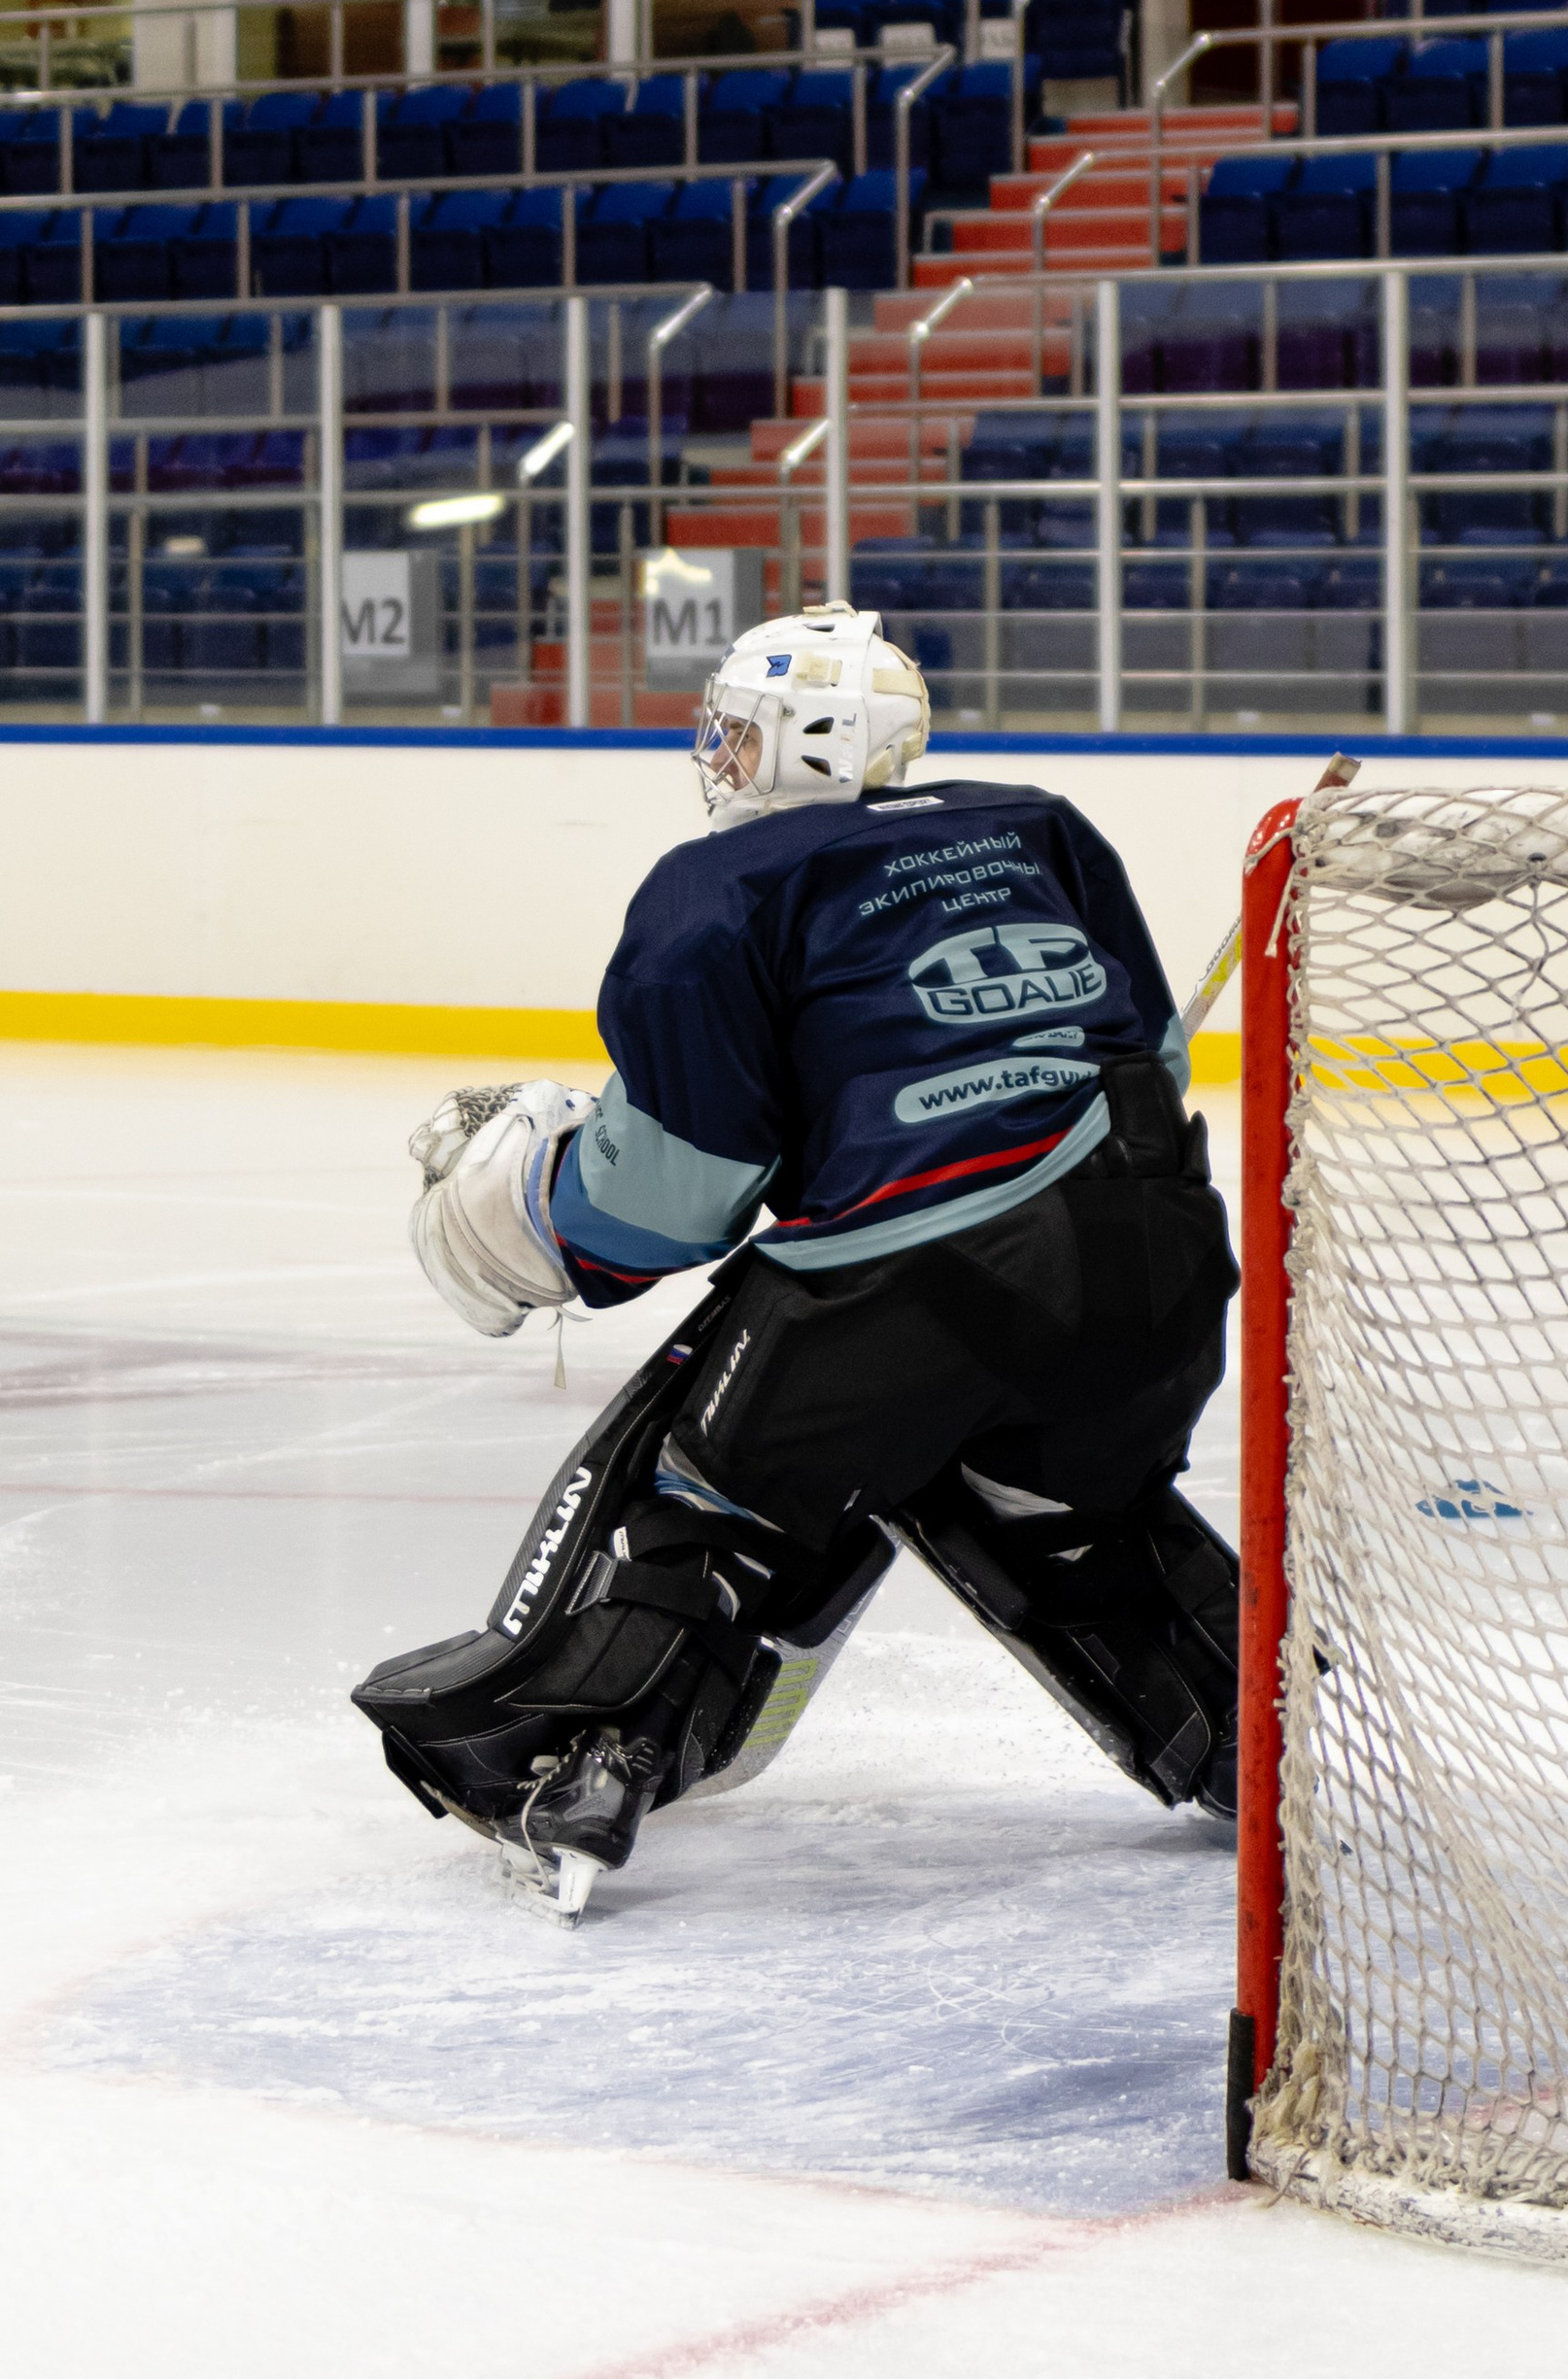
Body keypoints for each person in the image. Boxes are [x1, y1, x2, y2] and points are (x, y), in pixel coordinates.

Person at [354, 603, 1241, 1920]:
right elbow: (1148, 1069)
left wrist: (530, 1202)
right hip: (1155, 1261)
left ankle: (593, 1757)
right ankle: (1261, 1732)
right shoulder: (1040, 823)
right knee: (1059, 1502)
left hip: (916, 1285)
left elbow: (674, 1200)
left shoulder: (718, 888)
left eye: (742, 728)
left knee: (708, 1483)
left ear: (810, 744)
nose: (719, 753)